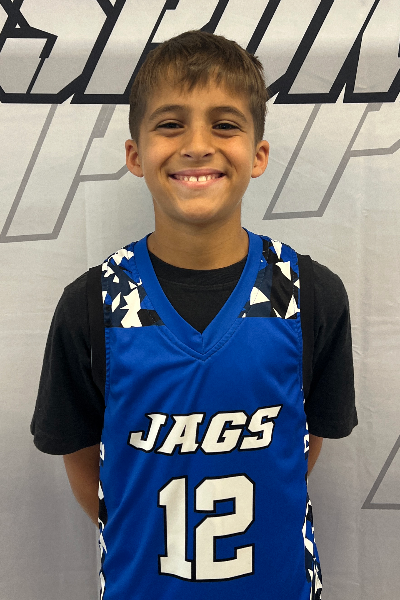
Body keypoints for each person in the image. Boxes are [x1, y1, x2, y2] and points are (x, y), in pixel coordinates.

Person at [31, 30, 357, 600]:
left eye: (225, 125)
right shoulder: (93, 304)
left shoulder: (309, 294)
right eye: (170, 124)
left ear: (258, 155)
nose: (198, 145)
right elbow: (81, 456)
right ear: (135, 155)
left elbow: (302, 445)